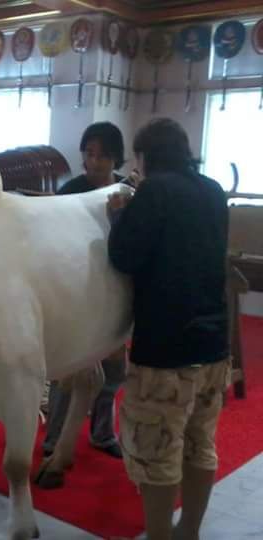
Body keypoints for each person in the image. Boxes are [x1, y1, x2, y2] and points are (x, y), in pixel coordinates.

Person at [107, 118, 230, 540]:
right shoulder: (212, 190)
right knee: (199, 443)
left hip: (166, 349)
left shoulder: (155, 191)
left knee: (157, 451)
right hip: (214, 345)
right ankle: (188, 532)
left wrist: (119, 218)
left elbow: (124, 256)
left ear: (146, 157)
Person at [43, 122, 131, 459]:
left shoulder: (125, 192)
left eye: (102, 156)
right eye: (88, 154)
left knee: (113, 371)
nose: (93, 162)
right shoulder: (70, 192)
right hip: (76, 292)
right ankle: (53, 442)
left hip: (113, 290)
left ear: (115, 159)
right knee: (68, 370)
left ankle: (102, 433)